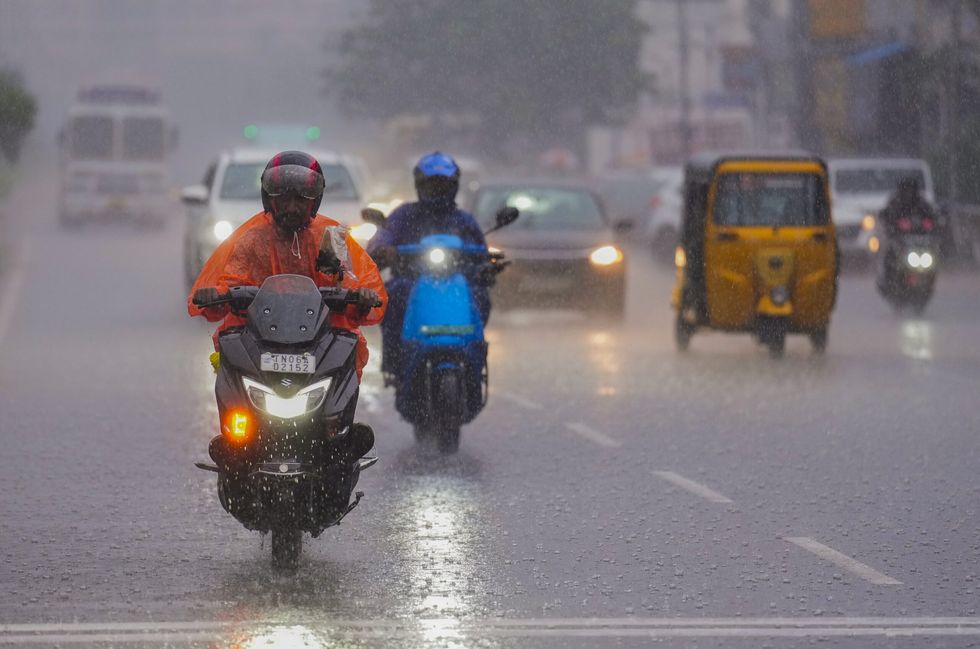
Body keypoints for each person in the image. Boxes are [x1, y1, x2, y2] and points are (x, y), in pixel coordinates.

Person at [187, 150, 387, 462]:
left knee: (347, 347)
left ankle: (338, 433)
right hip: (261, 334)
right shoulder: (252, 240)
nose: (292, 207)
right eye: (284, 199)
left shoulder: (331, 239)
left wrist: (359, 297)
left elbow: (351, 283)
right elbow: (229, 278)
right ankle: (238, 437)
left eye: (300, 199)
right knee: (230, 352)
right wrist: (218, 293)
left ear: (314, 202)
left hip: (317, 336)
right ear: (269, 199)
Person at [367, 152, 489, 379]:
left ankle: (475, 361)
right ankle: (396, 364)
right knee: (394, 296)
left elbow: (482, 254)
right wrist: (383, 250)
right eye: (432, 185)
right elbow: (381, 240)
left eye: (443, 185)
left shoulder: (464, 220)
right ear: (419, 186)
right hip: (410, 281)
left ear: (454, 186)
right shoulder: (403, 215)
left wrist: (487, 265)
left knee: (481, 296)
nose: (438, 191)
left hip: (457, 286)